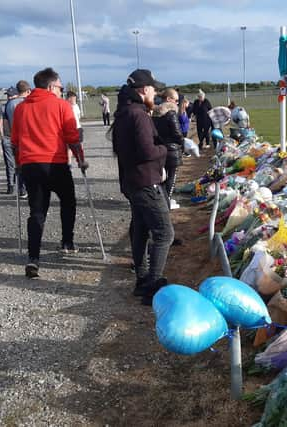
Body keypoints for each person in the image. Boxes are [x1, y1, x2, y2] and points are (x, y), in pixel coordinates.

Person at [11, 67, 88, 278]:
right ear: (51, 86)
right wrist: (81, 159)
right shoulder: (61, 105)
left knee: (37, 211)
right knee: (68, 201)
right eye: (60, 87)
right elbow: (72, 136)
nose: (62, 91)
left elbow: (15, 141)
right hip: (55, 163)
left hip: (30, 165)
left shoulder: (20, 108)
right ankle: (67, 241)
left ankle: (33, 258)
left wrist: (18, 164)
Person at [111, 69, 173, 305]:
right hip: (146, 181)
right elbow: (148, 151)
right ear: (144, 90)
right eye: (153, 89)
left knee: (140, 229)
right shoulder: (139, 115)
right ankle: (152, 284)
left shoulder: (123, 113)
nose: (156, 93)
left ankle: (142, 279)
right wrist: (164, 149)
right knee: (164, 233)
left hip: (132, 181)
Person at [152, 88, 183, 209]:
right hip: (172, 150)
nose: (177, 103)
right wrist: (184, 142)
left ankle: (163, 200)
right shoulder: (171, 113)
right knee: (171, 177)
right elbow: (176, 132)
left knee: (162, 177)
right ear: (169, 99)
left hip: (159, 149)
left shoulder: (155, 113)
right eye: (176, 100)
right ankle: (167, 202)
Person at [4, 80, 32, 197]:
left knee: (19, 165)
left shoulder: (9, 104)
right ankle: (29, 188)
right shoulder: (27, 103)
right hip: (27, 138)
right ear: (28, 91)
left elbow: (5, 122)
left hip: (14, 137)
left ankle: (21, 189)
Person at [0, 87, 19, 194]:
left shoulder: (4, 107)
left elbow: (0, 123)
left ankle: (13, 185)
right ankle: (12, 185)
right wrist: (2, 136)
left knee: (12, 163)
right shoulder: (4, 107)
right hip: (9, 138)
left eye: (11, 95)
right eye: (8, 95)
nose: (9, 97)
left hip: (12, 138)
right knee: (12, 163)